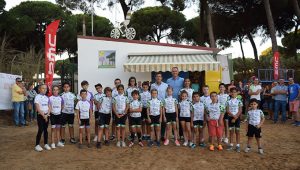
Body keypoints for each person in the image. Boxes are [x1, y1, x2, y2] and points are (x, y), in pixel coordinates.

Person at [151, 72, 168, 141]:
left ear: (161, 78)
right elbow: (151, 95)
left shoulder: (165, 85)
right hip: (155, 106)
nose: (158, 77)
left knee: (163, 121)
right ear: (155, 78)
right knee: (155, 121)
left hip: (163, 105)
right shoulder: (152, 85)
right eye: (157, 76)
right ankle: (156, 136)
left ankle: (162, 135)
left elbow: (167, 96)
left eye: (160, 76)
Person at [34, 84, 51, 152]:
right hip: (40, 115)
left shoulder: (47, 97)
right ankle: (37, 145)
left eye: (45, 88)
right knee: (40, 129)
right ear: (39, 89)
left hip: (47, 115)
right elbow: (37, 108)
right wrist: (44, 116)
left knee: (45, 130)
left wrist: (47, 115)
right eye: (43, 88)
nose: (44, 90)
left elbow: (49, 107)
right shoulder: (37, 97)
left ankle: (46, 143)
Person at [226, 88, 243, 152]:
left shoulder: (239, 101)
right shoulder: (228, 101)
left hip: (237, 118)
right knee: (231, 131)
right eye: (232, 92)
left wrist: (236, 117)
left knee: (237, 131)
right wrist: (233, 116)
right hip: (231, 118)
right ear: (230, 93)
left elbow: (240, 110)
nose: (233, 93)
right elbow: (227, 110)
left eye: (235, 92)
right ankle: (231, 144)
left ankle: (238, 145)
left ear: (237, 93)